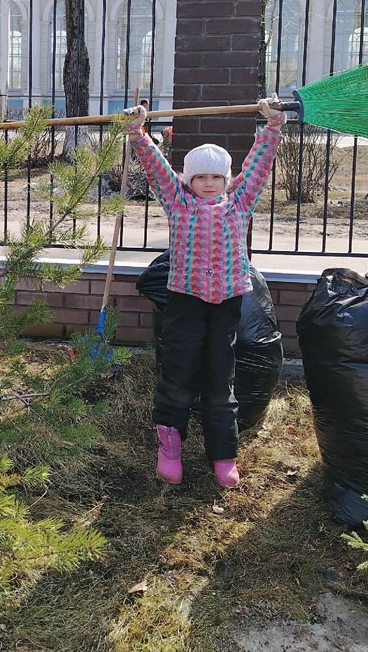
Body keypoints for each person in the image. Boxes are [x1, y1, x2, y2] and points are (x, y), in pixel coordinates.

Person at [123, 97, 286, 488]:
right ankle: (170, 446)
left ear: (227, 180)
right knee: (178, 374)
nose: (209, 183)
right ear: (189, 181)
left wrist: (273, 126)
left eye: (215, 178)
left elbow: (259, 166)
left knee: (219, 376)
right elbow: (157, 170)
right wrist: (138, 132)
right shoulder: (178, 203)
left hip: (227, 303)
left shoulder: (240, 202)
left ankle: (223, 454)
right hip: (186, 301)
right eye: (200, 178)